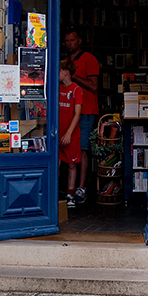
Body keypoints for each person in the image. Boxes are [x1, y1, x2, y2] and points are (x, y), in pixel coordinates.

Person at [63, 28, 99, 203]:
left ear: (80, 41)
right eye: (67, 41)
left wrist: (73, 76)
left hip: (86, 111)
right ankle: (68, 187)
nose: (69, 43)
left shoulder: (89, 59)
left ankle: (81, 188)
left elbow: (93, 86)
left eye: (72, 40)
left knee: (82, 148)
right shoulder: (65, 60)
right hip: (67, 111)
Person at [59, 58, 84, 209]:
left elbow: (77, 113)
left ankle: (70, 194)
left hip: (71, 134)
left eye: (60, 71)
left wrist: (68, 133)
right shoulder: (58, 88)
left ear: (66, 72)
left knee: (71, 165)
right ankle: (53, 192)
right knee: (57, 163)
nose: (58, 74)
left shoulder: (76, 90)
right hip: (58, 132)